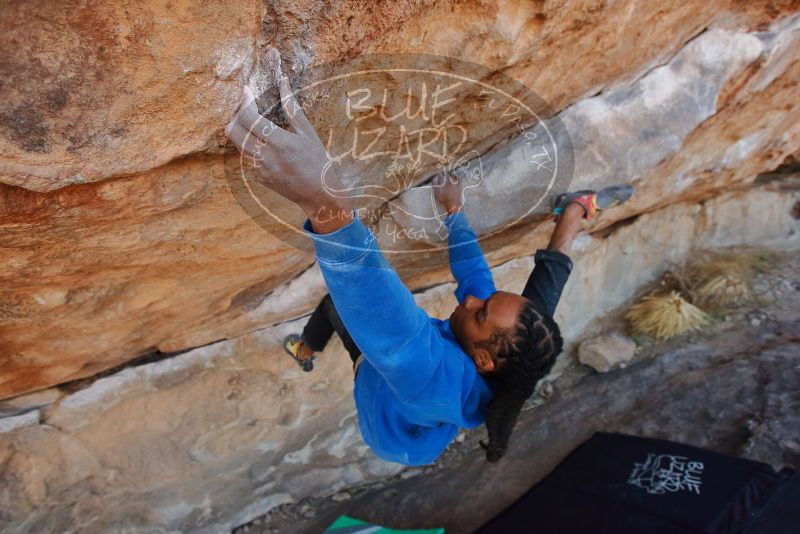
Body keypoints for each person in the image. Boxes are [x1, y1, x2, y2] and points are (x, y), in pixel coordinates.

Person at [225, 47, 632, 464]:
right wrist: (454, 212)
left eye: (479, 313)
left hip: (389, 429)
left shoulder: (432, 376)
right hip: (430, 408)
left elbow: (390, 321)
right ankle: (576, 210)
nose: (472, 300)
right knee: (537, 309)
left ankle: (305, 351)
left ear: (482, 360)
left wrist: (326, 205)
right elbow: (477, 281)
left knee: (336, 306)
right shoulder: (512, 358)